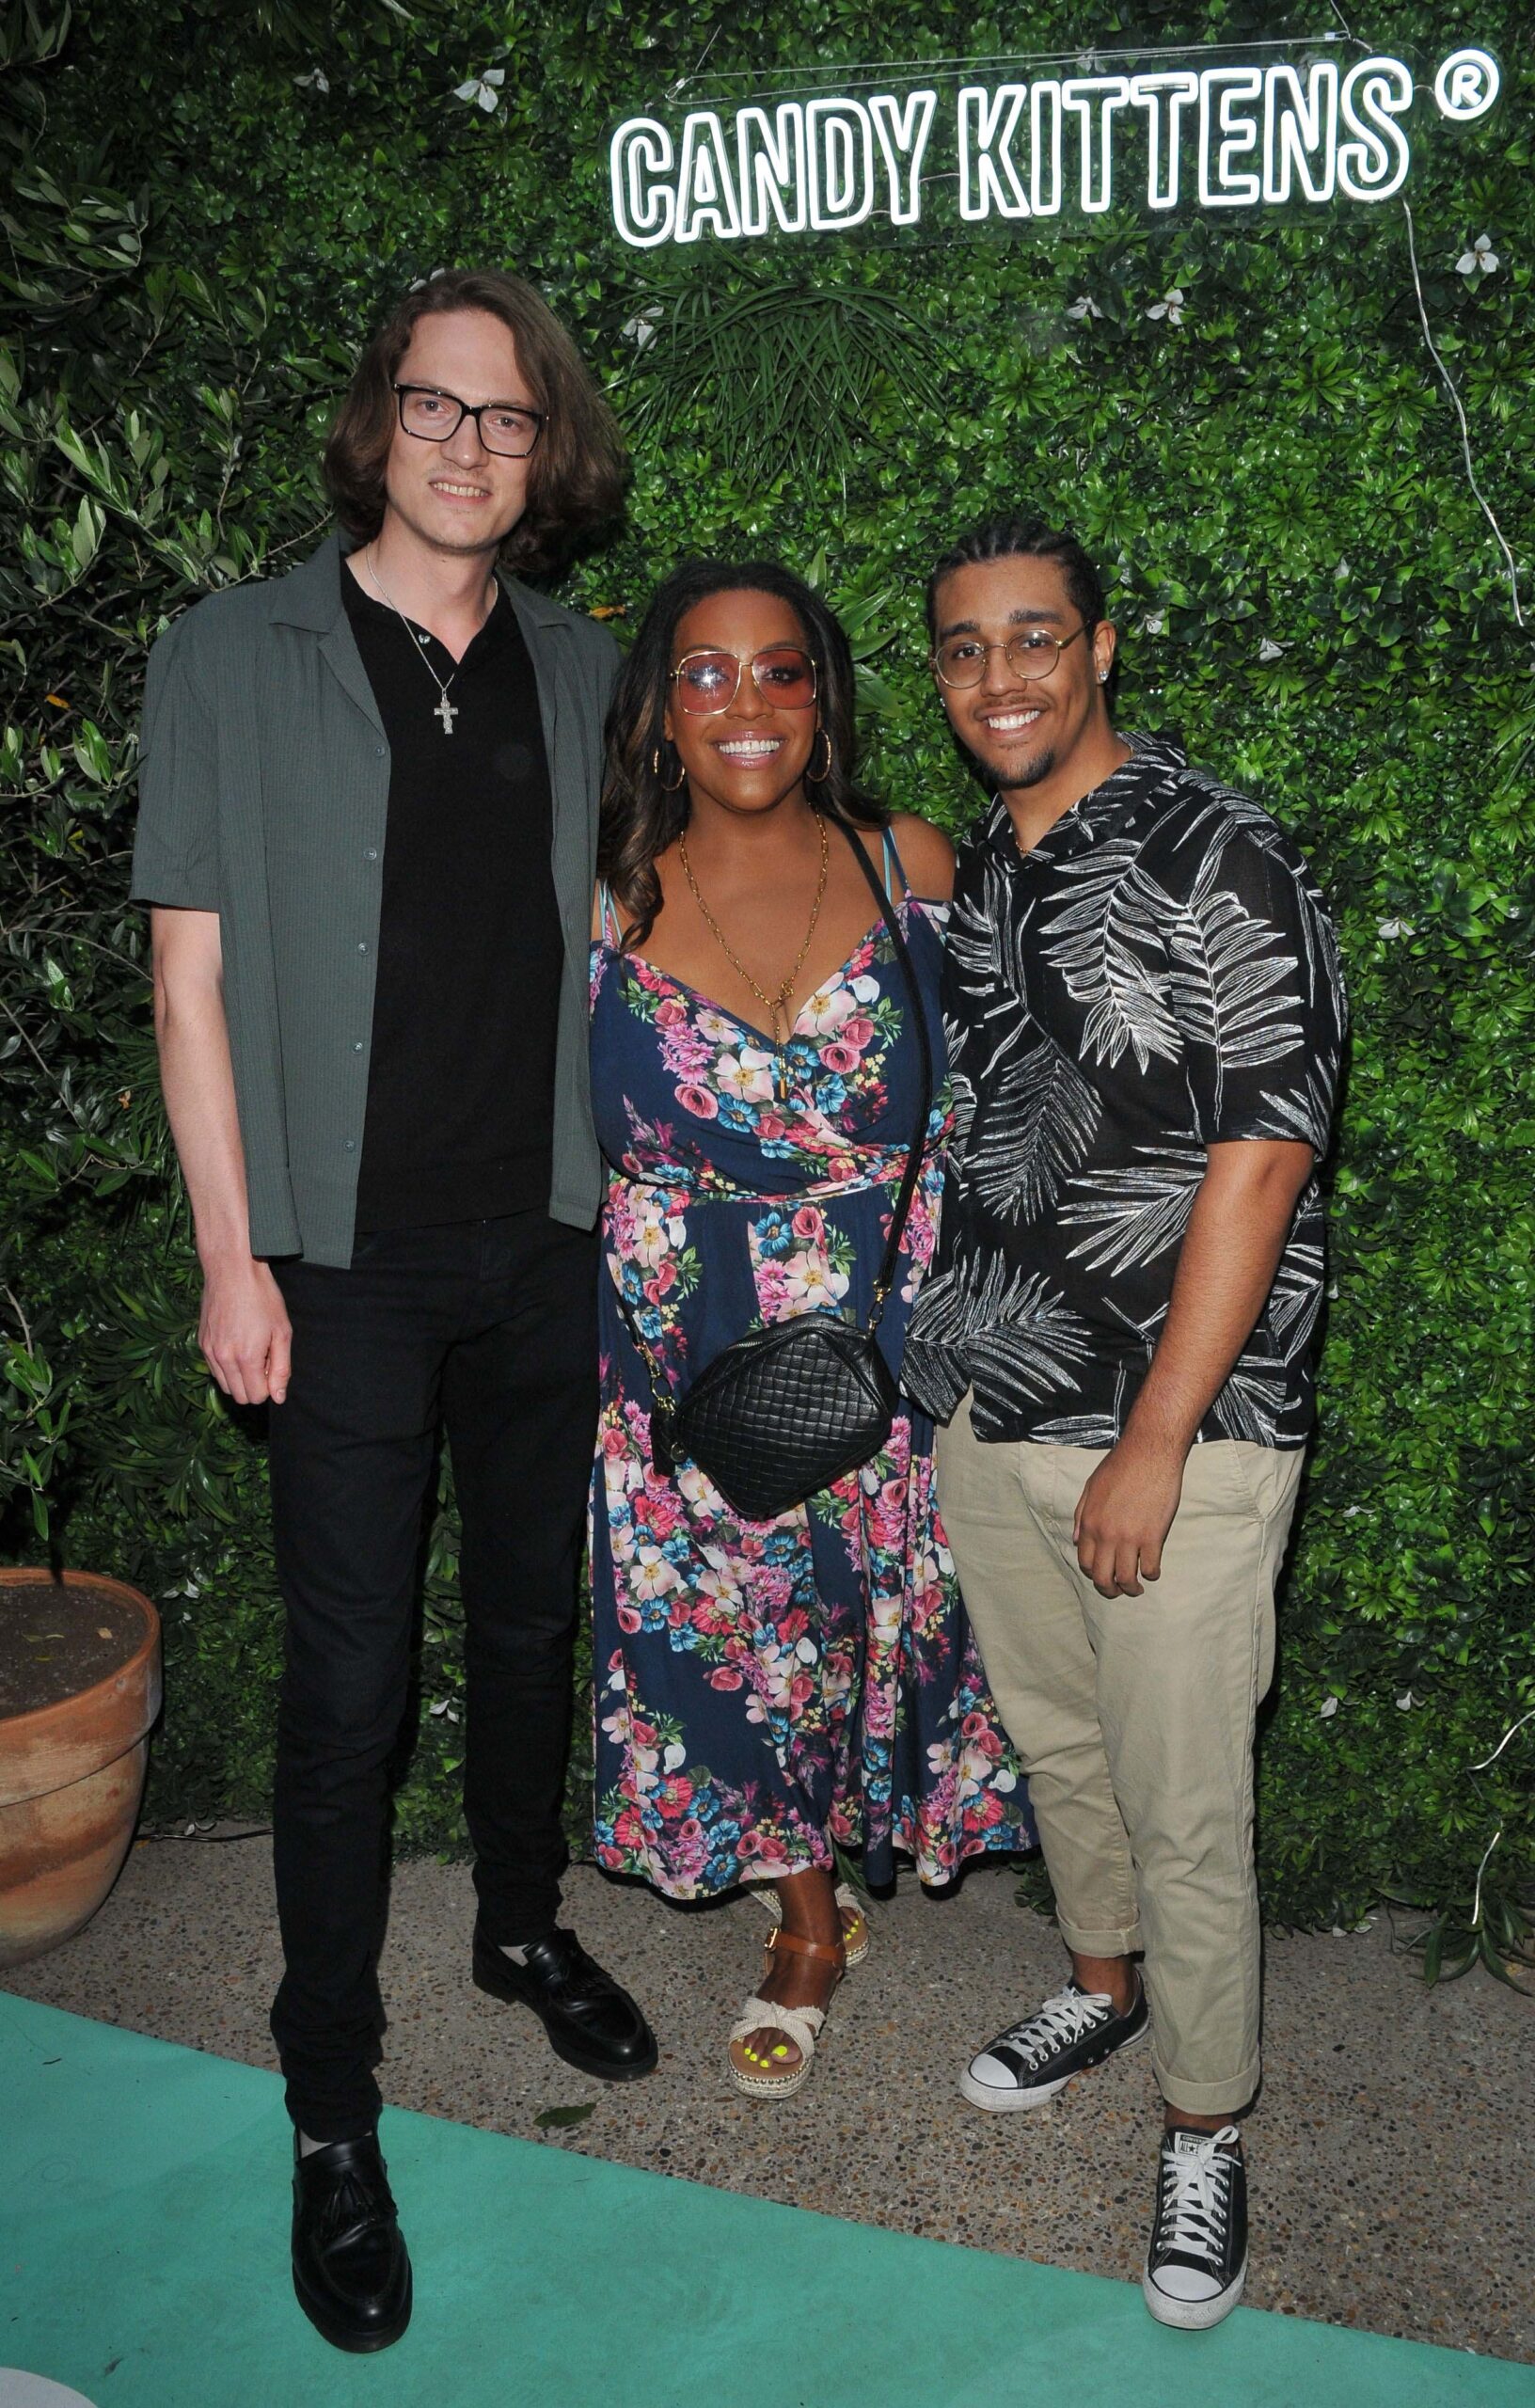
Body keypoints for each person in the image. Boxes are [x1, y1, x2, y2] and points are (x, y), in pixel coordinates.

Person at [133, 269, 657, 2355]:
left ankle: (518, 1927)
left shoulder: (587, 664)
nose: (465, 443)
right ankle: (330, 2107)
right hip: (333, 1256)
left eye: (506, 417)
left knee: (534, 1620)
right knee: (347, 1696)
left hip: (545, 1236)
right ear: (379, 425)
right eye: (434, 407)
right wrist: (225, 1252)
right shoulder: (228, 653)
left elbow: (628, 932)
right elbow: (190, 981)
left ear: (548, 453)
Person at [902, 516, 1346, 2328]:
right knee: (1058, 1743)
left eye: (1033, 639)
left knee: (1181, 1795)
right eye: (961, 649)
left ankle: (1205, 2123)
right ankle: (1103, 1984)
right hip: (993, 1386)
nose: (998, 676)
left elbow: (1267, 1147)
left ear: (1100, 648)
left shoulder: (1213, 846)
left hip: (1184, 1417)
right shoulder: (993, 869)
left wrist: (1156, 1436)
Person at [588, 559, 1033, 2101]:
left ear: (825, 698)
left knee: (885, 1615)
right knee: (736, 1634)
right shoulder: (604, 896)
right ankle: (801, 1919)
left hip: (890, 1331)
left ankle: (870, 1853)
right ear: (656, 709)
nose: (748, 704)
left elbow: (1023, 1082)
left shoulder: (909, 858)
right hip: (688, 1344)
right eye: (704, 674)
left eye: (783, 671)